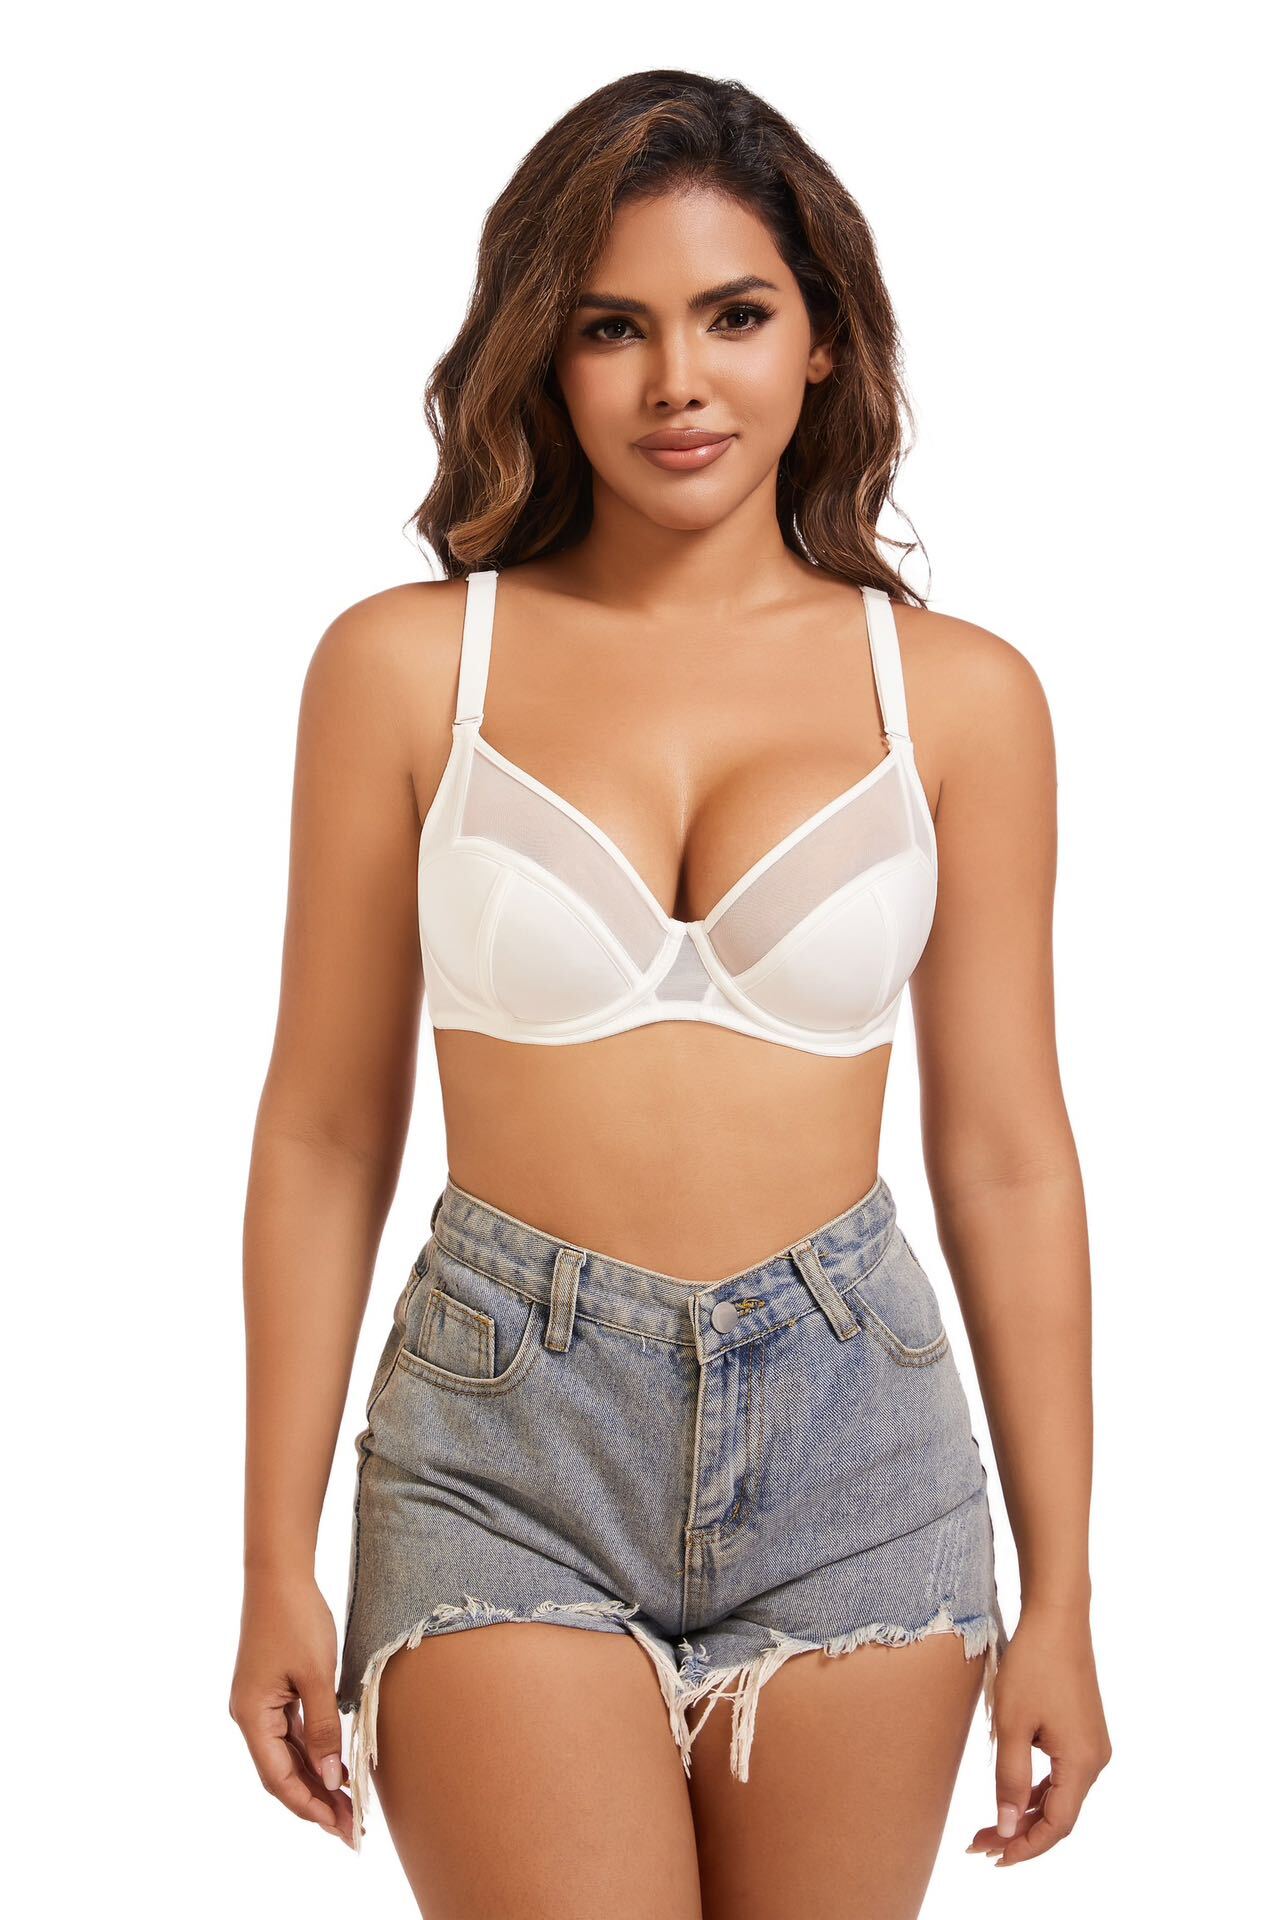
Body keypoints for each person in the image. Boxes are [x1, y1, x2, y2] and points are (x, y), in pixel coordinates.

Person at [230, 67, 1110, 1917]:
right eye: (611, 326)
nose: (677, 383)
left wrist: (1067, 1597)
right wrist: (269, 1561)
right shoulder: (407, 668)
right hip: (503, 1442)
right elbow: (322, 1131)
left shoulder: (962, 700)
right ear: (543, 358)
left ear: (823, 340)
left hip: (859, 1438)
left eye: (735, 315)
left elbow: (1010, 1153)